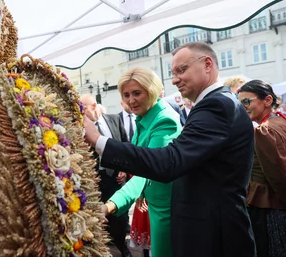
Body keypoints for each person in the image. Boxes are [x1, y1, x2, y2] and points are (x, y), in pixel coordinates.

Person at [83, 42, 256, 257]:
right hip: (199, 222)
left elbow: (166, 162)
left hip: (210, 231)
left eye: (181, 70)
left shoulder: (215, 106)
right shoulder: (212, 104)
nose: (175, 79)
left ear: (208, 64)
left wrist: (99, 141)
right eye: (173, 73)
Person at [105, 67, 181, 257]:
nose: (131, 100)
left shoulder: (164, 120)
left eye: (137, 93)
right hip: (155, 203)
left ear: (152, 90)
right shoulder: (145, 116)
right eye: (126, 94)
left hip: (167, 208)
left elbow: (146, 171)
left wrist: (110, 205)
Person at [79, 94, 132, 257]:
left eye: (83, 108)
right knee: (99, 218)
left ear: (94, 106)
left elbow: (125, 144)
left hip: (116, 178)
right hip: (95, 181)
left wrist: (124, 168)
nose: (80, 112)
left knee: (121, 217)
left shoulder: (114, 119)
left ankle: (122, 247)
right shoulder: (80, 127)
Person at [238, 80, 286, 257]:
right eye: (240, 102)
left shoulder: (264, 131)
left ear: (267, 100)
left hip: (270, 208)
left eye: (246, 101)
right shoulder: (280, 121)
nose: (243, 106)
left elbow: (279, 176)